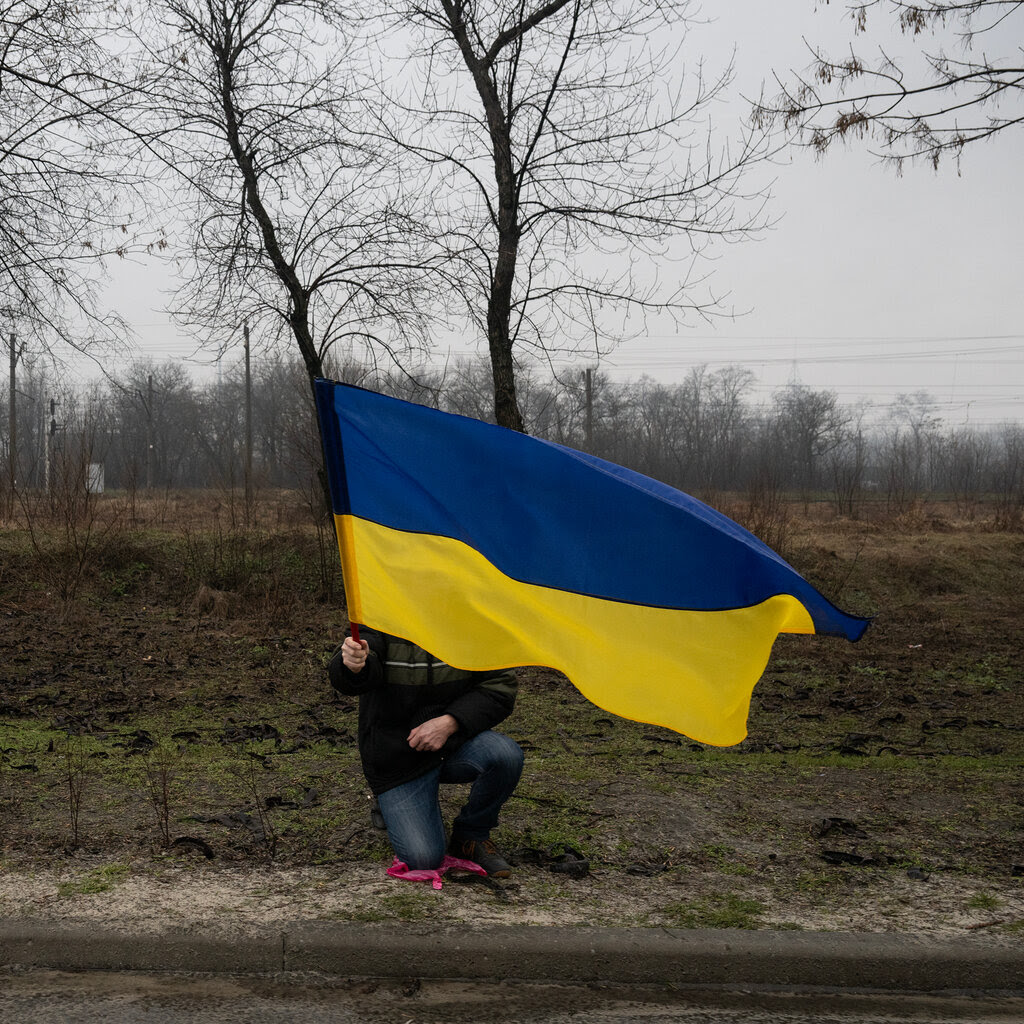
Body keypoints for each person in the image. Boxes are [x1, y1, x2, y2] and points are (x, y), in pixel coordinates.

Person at [328, 627, 524, 877]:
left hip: (453, 742)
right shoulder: (380, 614)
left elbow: (500, 686)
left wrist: (450, 722)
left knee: (505, 755)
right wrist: (353, 665)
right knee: (423, 858)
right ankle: (388, 803)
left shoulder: (471, 619)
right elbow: (352, 678)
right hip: (398, 758)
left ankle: (471, 835)